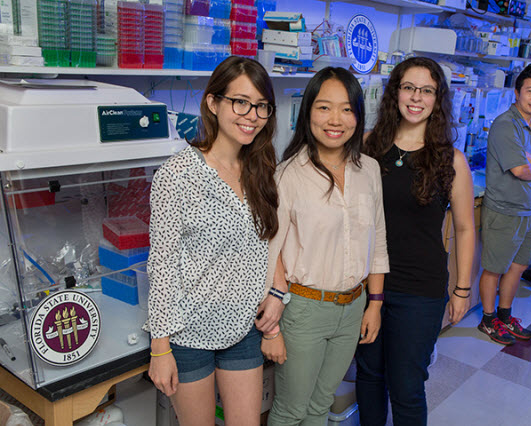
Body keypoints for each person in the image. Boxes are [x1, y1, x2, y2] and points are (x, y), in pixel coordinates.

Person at [144, 56, 280, 426]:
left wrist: (276, 303)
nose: (251, 115)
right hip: (188, 334)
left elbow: (269, 245)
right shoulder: (177, 174)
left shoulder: (260, 169)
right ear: (213, 103)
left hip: (242, 327)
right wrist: (161, 348)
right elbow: (163, 265)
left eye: (261, 106)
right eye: (240, 102)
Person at [263, 67, 389, 426]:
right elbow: (271, 252)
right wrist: (272, 329)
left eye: (347, 109)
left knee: (321, 405)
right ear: (308, 113)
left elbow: (377, 239)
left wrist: (374, 304)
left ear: (358, 115)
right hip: (304, 308)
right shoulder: (288, 174)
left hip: (354, 306)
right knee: (291, 410)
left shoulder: (370, 170)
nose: (336, 119)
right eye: (324, 107)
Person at [356, 57, 476, 425]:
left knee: (406, 385)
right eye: (409, 87)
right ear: (395, 93)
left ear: (438, 99)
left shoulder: (450, 160)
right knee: (369, 378)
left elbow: (466, 228)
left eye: (427, 90)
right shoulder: (367, 146)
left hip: (419, 290)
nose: (416, 97)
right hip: (367, 286)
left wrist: (461, 289)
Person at [477, 64, 531, 345]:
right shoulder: (505, 125)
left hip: (529, 210)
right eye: (530, 91)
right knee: (494, 268)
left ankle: (504, 316)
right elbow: (520, 171)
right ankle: (488, 321)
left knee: (517, 267)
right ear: (516, 93)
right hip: (503, 210)